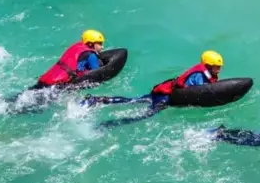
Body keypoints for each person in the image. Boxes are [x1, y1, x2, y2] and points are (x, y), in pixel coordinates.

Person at [83, 51, 224, 127]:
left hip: (163, 91)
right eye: (216, 67)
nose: (219, 69)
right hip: (165, 97)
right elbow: (197, 90)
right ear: (208, 66)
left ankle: (98, 100)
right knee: (146, 115)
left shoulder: (203, 73)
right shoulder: (199, 75)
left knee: (133, 101)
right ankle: (111, 123)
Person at [33, 30, 106, 89]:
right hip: (58, 85)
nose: (102, 47)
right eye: (99, 43)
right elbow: (97, 74)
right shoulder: (91, 55)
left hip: (45, 79)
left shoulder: (76, 47)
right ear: (90, 44)